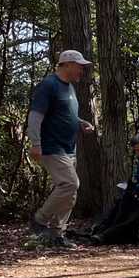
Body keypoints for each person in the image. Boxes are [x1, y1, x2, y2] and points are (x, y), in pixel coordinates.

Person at [27, 49, 96, 249]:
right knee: (69, 184)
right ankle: (39, 220)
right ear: (67, 64)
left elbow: (64, 113)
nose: (82, 70)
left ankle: (58, 234)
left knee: (70, 193)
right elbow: (35, 116)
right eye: (79, 66)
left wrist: (80, 122)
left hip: (68, 147)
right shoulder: (49, 85)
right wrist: (36, 143)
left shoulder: (69, 87)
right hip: (52, 146)